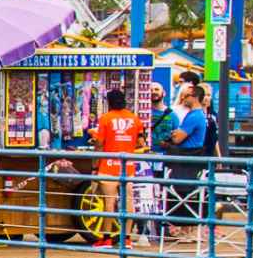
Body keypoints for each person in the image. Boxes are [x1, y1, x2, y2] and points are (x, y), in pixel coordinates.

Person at [89, 88, 146, 242]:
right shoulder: (134, 119)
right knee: (128, 201)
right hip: (127, 166)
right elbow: (141, 142)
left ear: (109, 102)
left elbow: (100, 144)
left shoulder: (106, 118)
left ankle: (106, 238)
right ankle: (126, 238)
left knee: (109, 202)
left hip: (108, 164)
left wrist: (95, 166)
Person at [159, 85, 213, 238]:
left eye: (187, 95)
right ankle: (186, 229)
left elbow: (177, 137)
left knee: (183, 193)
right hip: (189, 158)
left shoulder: (194, 116)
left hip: (187, 160)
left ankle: (184, 227)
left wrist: (175, 135)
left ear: (195, 97)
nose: (183, 98)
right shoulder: (197, 115)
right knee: (187, 194)